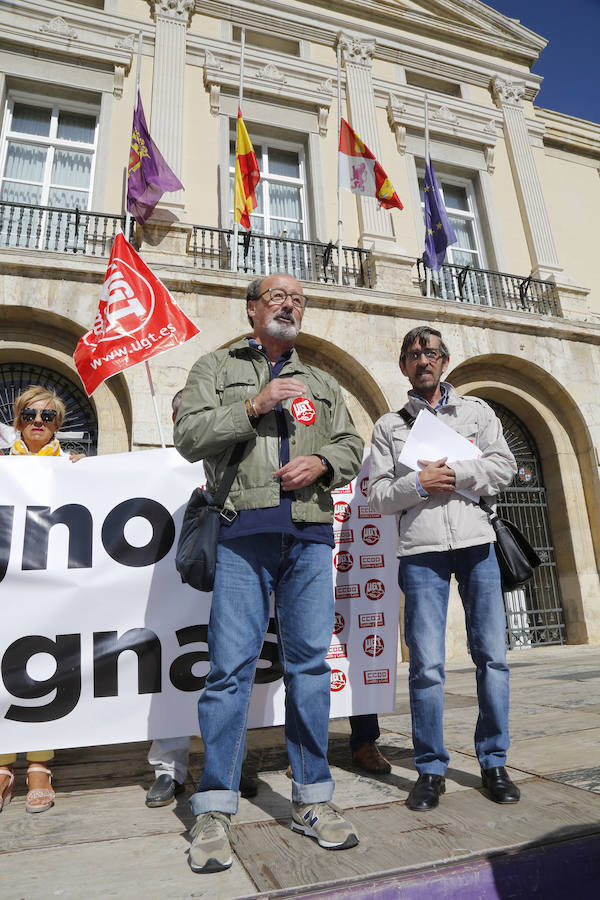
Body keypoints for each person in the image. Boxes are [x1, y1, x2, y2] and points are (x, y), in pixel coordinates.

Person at [174, 272, 364, 873]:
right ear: (252, 309)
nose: (290, 305)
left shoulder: (323, 381)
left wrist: (322, 461)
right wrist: (253, 405)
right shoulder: (216, 366)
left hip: (309, 536)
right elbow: (188, 436)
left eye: (298, 299)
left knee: (309, 669)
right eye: (278, 297)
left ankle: (313, 799)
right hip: (242, 533)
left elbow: (352, 444)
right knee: (229, 673)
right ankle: (214, 808)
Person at [368, 326, 519, 811]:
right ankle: (430, 769)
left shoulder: (476, 412)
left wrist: (456, 473)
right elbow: (377, 496)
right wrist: (419, 483)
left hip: (477, 543)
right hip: (421, 551)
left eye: (430, 352)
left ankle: (494, 762)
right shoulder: (389, 426)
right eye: (413, 354)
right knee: (427, 666)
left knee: (492, 658)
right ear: (403, 366)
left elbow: (505, 467)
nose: (422, 360)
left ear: (444, 360)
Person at [145, 391, 259, 807]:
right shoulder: (158, 462)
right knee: (170, 677)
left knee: (231, 675)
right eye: (184, 414)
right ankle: (168, 768)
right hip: (171, 593)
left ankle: (229, 764)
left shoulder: (235, 454)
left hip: (228, 579)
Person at [0, 385, 85, 814]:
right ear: (17, 420)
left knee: (42, 665)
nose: (38, 422)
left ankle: (39, 765)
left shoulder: (72, 467)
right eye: (30, 414)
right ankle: (2, 764)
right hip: (7, 583)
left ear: (58, 425)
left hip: (50, 583)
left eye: (47, 416)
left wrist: (88, 474)